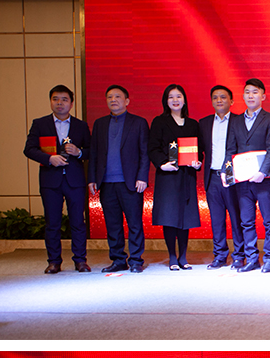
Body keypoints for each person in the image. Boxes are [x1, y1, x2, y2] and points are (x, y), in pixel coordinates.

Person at [24, 85, 92, 274]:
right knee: (52, 223)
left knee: (78, 222)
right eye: (55, 99)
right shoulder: (40, 124)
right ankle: (54, 261)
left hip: (75, 180)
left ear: (71, 103)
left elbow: (91, 150)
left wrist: (79, 152)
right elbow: (29, 149)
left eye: (64, 99)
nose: (59, 103)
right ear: (50, 101)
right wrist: (49, 158)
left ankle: (80, 260)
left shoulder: (81, 125)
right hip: (50, 181)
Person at [88, 84, 149, 273]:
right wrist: (92, 178)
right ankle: (118, 259)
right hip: (106, 183)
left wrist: (142, 177)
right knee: (113, 224)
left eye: (117, 96)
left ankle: (136, 260)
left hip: (130, 182)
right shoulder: (99, 124)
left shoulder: (138, 122)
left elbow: (144, 153)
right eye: (109, 97)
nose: (113, 100)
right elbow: (94, 153)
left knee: (134, 223)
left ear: (127, 101)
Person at [223, 78, 270, 273]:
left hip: (263, 180)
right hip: (242, 181)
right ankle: (252, 258)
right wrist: (226, 171)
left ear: (263, 96)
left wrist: (262, 171)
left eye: (255, 92)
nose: (251, 95)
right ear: (243, 96)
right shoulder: (236, 121)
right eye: (247, 92)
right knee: (246, 221)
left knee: (268, 220)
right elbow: (230, 149)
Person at [148, 84, 202, 270]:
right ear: (166, 101)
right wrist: (162, 163)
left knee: (185, 217)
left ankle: (183, 257)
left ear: (184, 100)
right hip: (168, 176)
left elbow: (199, 150)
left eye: (178, 96)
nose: (175, 100)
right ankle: (172, 256)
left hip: (187, 176)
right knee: (169, 216)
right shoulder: (159, 122)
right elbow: (152, 148)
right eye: (171, 97)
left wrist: (198, 162)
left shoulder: (193, 124)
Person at [199, 84, 245, 270]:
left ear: (231, 101)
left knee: (236, 218)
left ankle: (239, 255)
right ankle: (219, 255)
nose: (219, 100)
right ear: (211, 101)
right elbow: (199, 149)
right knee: (216, 220)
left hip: (233, 177)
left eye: (223, 97)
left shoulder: (239, 121)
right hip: (212, 177)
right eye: (215, 97)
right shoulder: (203, 123)